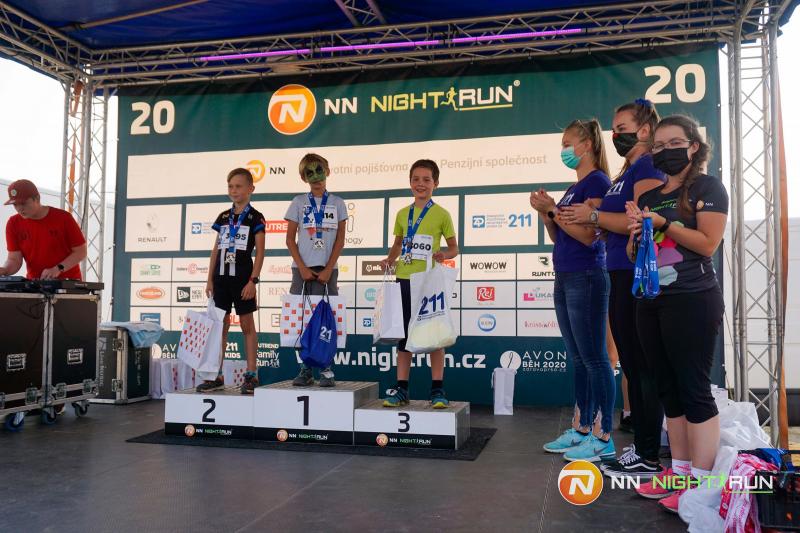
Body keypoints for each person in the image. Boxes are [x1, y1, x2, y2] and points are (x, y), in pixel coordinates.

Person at [625, 115, 727, 512]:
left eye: (674, 144)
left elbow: (707, 243)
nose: (665, 151)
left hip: (693, 299)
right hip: (651, 301)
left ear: (693, 146)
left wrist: (664, 223)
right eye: (658, 146)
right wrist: (637, 235)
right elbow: (636, 255)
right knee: (667, 388)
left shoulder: (707, 187)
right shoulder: (649, 197)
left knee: (693, 388)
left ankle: (702, 481)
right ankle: (680, 471)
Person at [561, 99, 667, 479]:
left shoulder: (647, 165)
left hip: (635, 275)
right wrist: (600, 220)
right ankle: (641, 449)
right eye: (613, 127)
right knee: (633, 366)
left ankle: (648, 453)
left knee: (640, 366)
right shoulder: (626, 171)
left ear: (644, 130)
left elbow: (641, 219)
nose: (615, 134)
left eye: (621, 127)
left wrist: (594, 215)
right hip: (618, 271)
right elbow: (615, 222)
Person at [531, 119, 615, 463]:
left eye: (568, 143)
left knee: (595, 358)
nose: (564, 150)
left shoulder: (598, 182)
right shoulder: (573, 187)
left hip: (587, 275)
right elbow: (561, 236)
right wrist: (546, 215)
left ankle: (604, 435)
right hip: (565, 276)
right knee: (579, 358)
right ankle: (581, 429)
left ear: (587, 145)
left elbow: (589, 237)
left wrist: (553, 210)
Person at [380, 159, 459, 409]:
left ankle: (437, 389)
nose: (420, 184)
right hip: (404, 279)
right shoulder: (402, 214)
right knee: (404, 336)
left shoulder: (442, 214)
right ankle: (402, 388)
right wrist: (390, 259)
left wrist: (444, 255)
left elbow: (454, 248)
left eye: (426, 179)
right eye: (416, 179)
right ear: (410, 182)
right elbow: (398, 244)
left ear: (436, 183)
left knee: (434, 335)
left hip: (429, 283)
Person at [196, 168, 266, 395]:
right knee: (220, 327)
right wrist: (209, 279)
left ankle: (252, 374)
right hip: (221, 280)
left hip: (243, 280)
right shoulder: (224, 217)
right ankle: (216, 375)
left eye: (238, 186)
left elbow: (261, 252)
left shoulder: (256, 217)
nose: (234, 190)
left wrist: (253, 281)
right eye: (230, 186)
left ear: (251, 189)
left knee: (247, 325)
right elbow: (216, 250)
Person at [285, 153, 348, 387]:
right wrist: (302, 267)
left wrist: (328, 269)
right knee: (303, 318)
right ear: (304, 177)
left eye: (319, 170)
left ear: (327, 171)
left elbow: (340, 240)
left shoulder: (338, 203)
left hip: (328, 271)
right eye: (309, 173)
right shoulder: (298, 202)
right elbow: (289, 239)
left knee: (325, 319)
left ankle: (326, 367)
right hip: (301, 271)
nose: (316, 177)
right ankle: (305, 368)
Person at [1, 179, 87, 280]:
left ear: (37, 198)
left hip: (67, 284)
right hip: (35, 283)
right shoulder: (13, 223)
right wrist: (4, 270)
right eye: (15, 204)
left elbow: (81, 252)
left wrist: (58, 268)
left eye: (23, 203)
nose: (19, 208)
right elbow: (14, 259)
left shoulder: (64, 218)